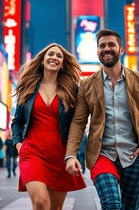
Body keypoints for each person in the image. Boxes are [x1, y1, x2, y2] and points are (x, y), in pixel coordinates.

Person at [65, 29, 139, 210]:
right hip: (101, 155)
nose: (106, 49)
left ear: (121, 49)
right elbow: (78, 122)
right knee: (111, 204)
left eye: (111, 45)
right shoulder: (86, 84)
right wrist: (71, 154)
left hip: (134, 155)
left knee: (130, 206)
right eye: (102, 46)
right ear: (97, 51)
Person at [11, 43, 86, 210]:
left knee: (55, 208)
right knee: (40, 203)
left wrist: (73, 153)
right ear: (42, 60)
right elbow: (17, 122)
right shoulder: (28, 88)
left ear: (63, 64)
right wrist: (18, 145)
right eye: (50, 54)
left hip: (60, 155)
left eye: (59, 56)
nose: (54, 57)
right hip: (32, 153)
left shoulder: (72, 89)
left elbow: (78, 123)